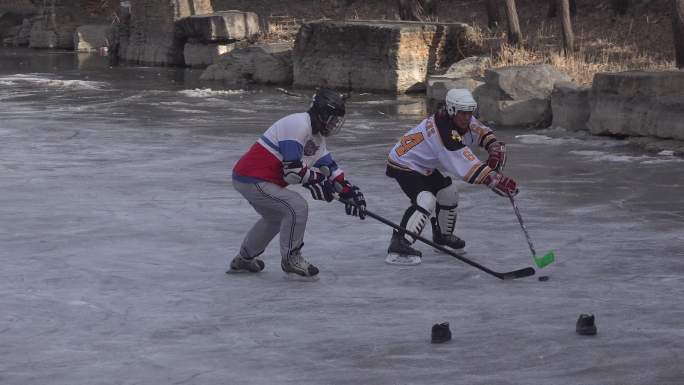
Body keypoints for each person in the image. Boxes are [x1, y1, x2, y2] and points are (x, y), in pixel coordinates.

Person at [229, 88, 367, 277]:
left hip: (255, 179)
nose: (335, 124)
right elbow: (292, 171)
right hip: (253, 178)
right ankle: (291, 259)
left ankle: (244, 259)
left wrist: (347, 190)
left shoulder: (317, 137)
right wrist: (319, 181)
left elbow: (329, 167)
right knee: (297, 206)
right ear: (322, 113)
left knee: (275, 218)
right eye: (333, 119)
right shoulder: (298, 125)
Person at [384, 88, 517, 265]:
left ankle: (442, 236)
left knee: (448, 192)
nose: (467, 118)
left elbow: (479, 130)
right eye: (463, 113)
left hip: (422, 164)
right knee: (426, 200)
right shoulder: (444, 133)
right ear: (452, 110)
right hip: (403, 163)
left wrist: (493, 145)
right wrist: (492, 179)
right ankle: (399, 244)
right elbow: (465, 163)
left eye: (470, 113)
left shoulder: (456, 119)